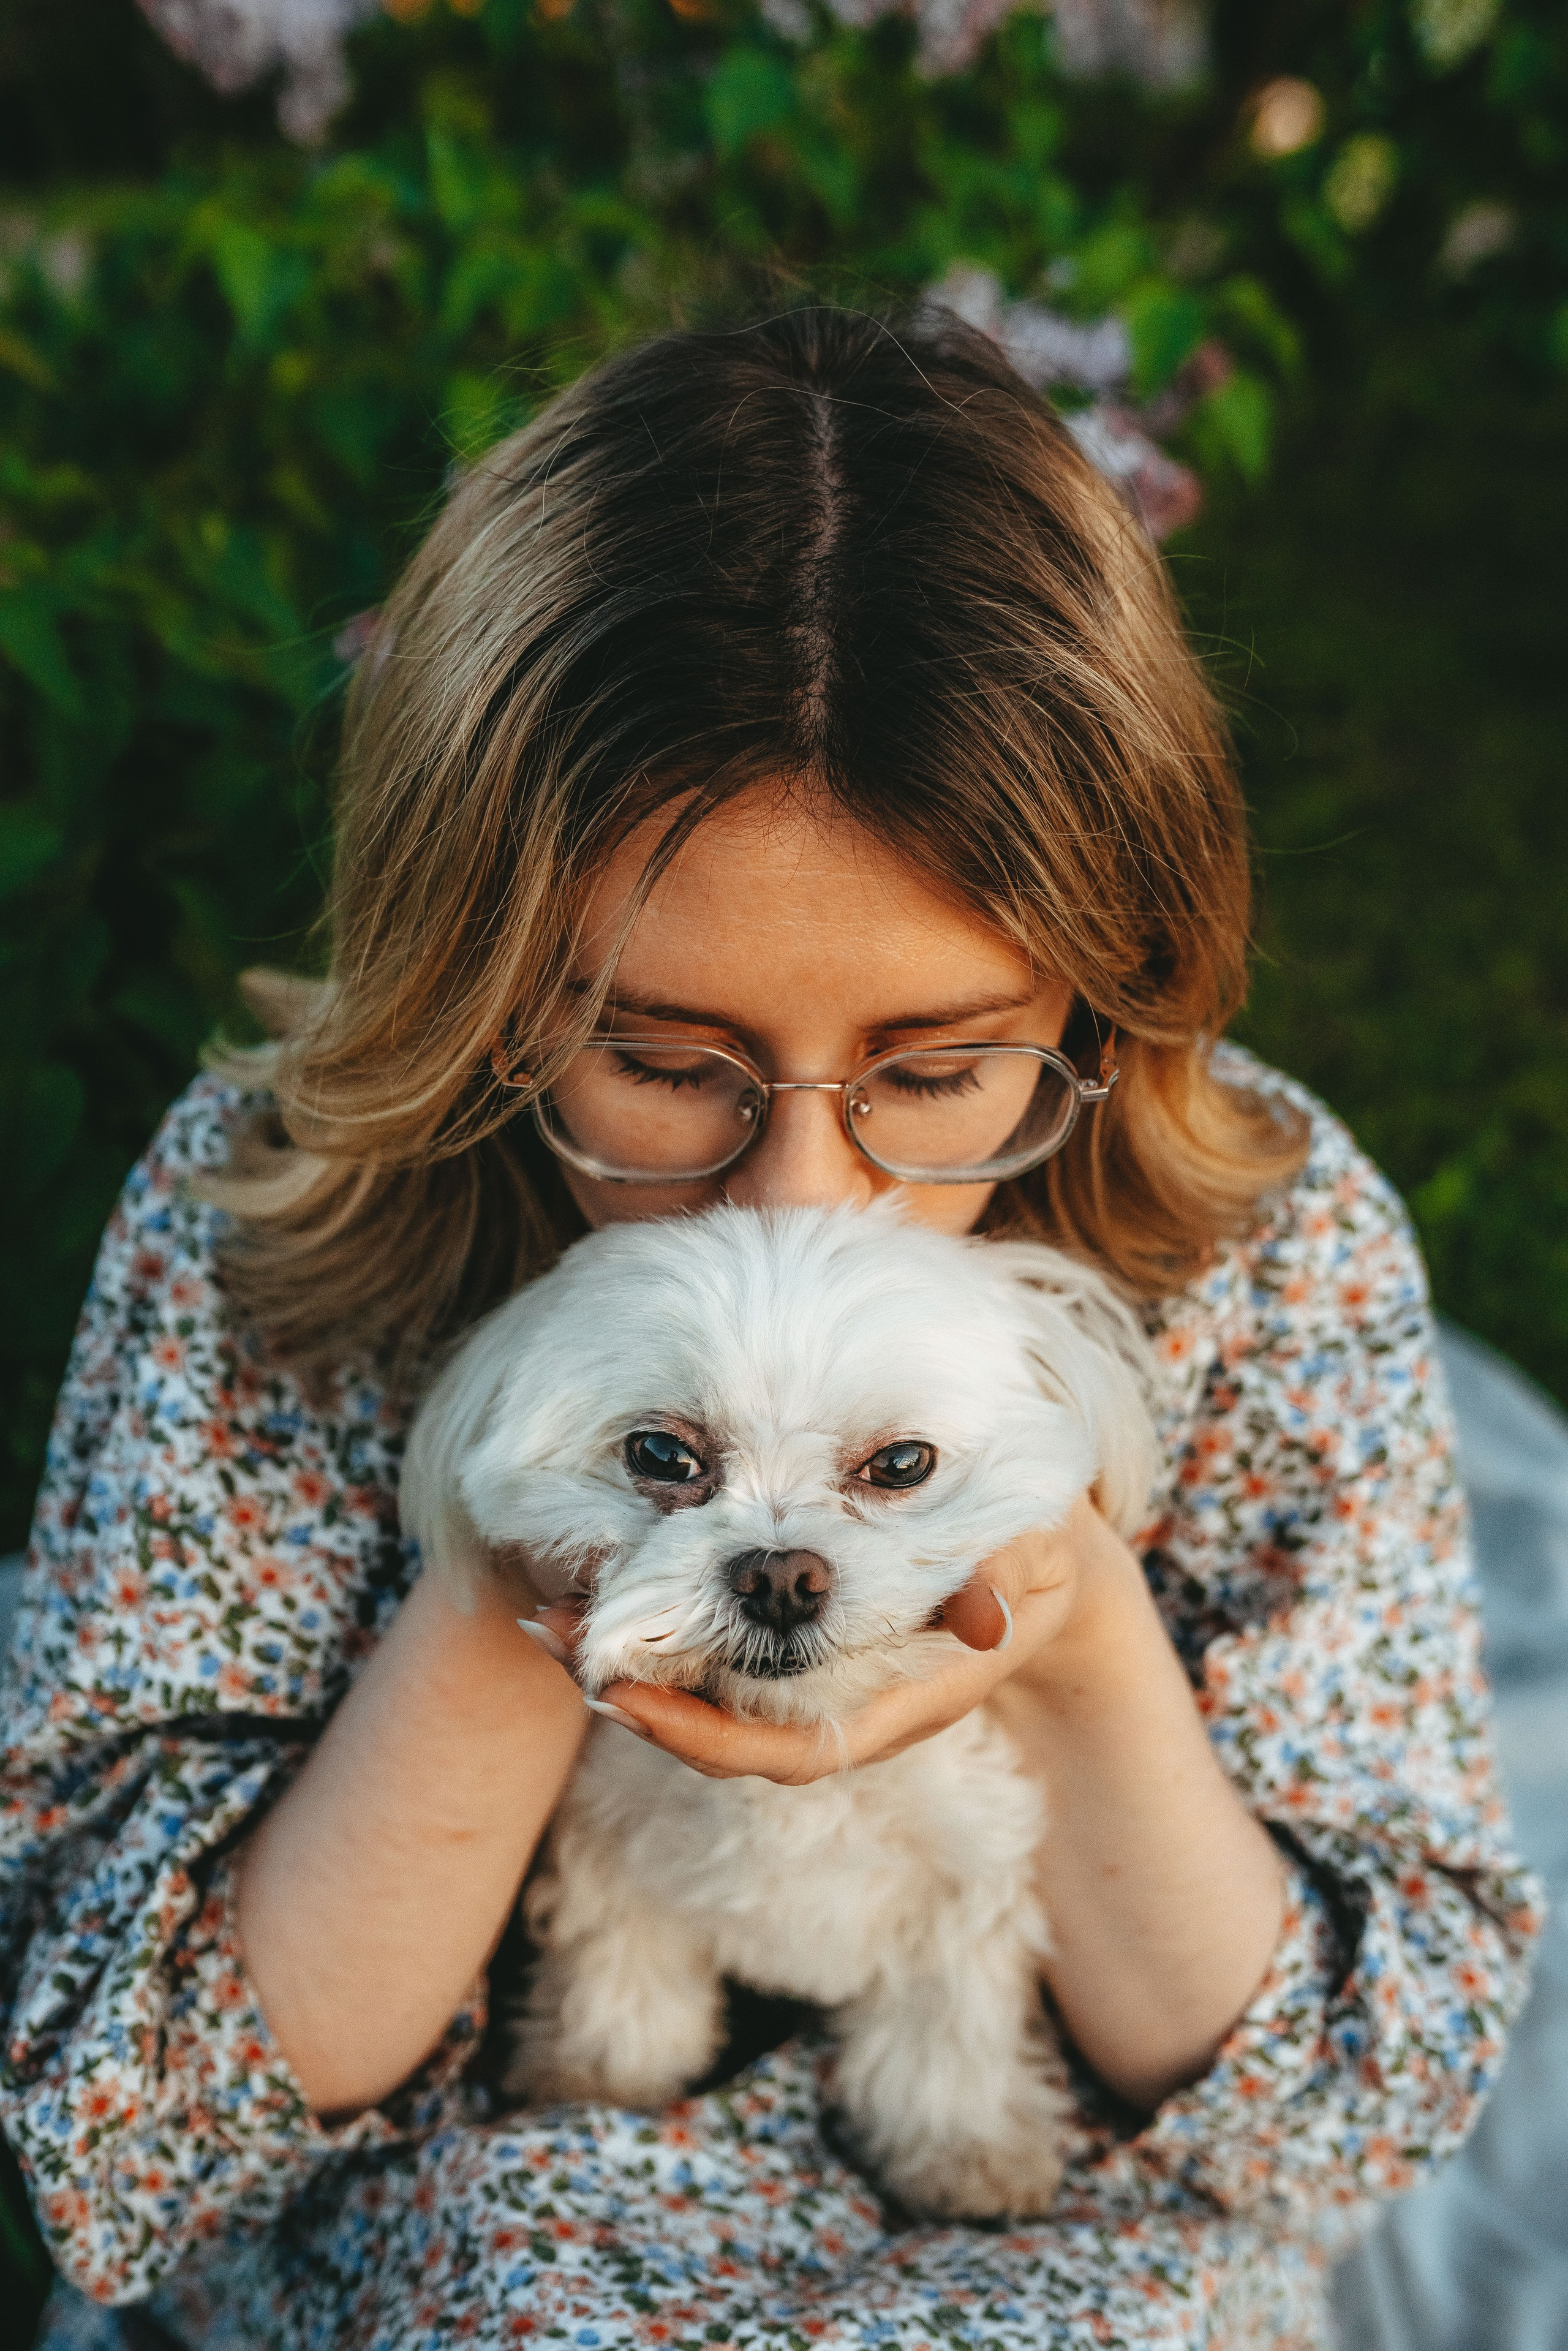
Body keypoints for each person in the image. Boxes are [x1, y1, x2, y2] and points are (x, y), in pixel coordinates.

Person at [0, 307, 1541, 2351]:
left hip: (1060, 2212)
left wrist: (1073, 1641)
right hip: (450, 2207)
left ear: (1095, 1003)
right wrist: (520, 1584)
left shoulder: (1266, 1231)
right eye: (661, 1057)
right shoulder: (266, 1214)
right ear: (485, 983)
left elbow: (1331, 2124)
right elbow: (132, 2134)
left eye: (938, 1071)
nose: (800, 1197)